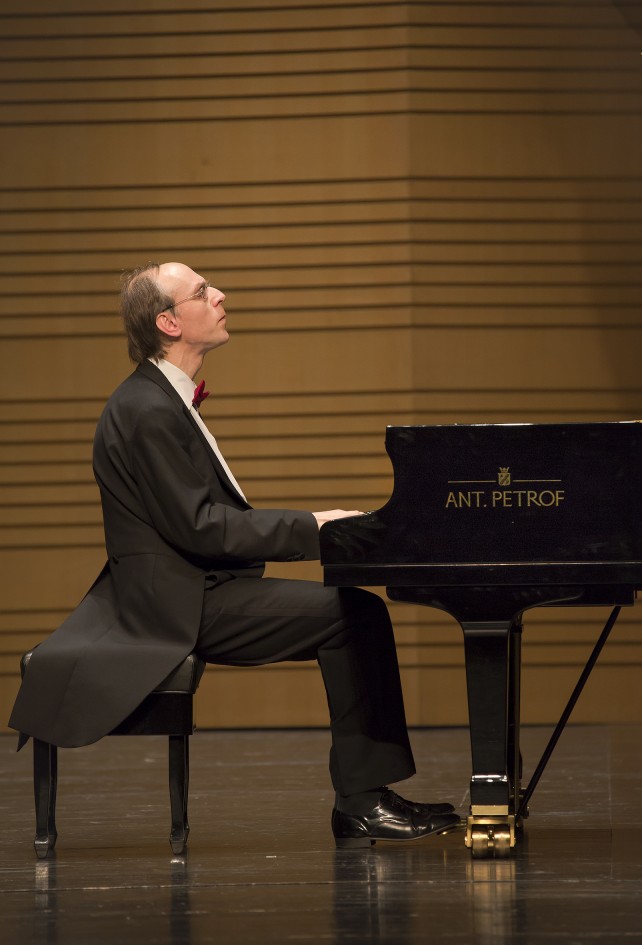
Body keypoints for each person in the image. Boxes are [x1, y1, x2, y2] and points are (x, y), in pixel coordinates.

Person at [9, 261, 460, 847]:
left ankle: (364, 798)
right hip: (177, 605)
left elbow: (207, 524)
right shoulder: (146, 409)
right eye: (202, 291)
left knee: (356, 614)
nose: (219, 295)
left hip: (193, 587)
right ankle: (362, 803)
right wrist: (314, 526)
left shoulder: (161, 400)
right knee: (355, 616)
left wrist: (312, 524)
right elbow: (203, 529)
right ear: (168, 322)